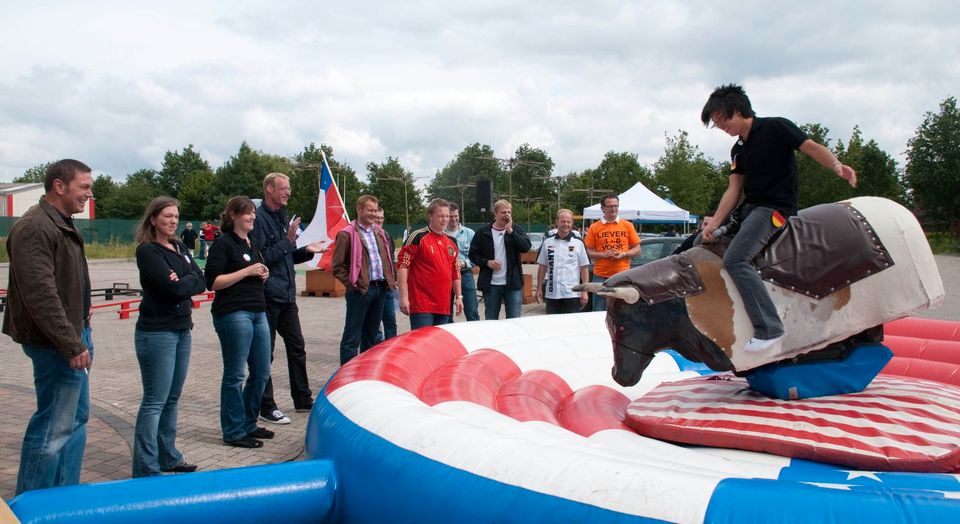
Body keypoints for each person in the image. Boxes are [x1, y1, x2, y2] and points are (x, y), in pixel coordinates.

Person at [699, 83, 857, 353]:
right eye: (715, 124)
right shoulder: (738, 150)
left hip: (773, 209)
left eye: (721, 120)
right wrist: (714, 222)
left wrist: (836, 166)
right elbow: (734, 190)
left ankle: (769, 328)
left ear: (736, 111)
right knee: (698, 245)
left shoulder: (776, 127)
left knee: (736, 260)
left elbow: (811, 147)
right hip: (748, 209)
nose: (721, 127)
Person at [3, 159, 94, 494]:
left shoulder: (61, 223)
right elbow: (40, 294)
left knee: (75, 422)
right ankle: (35, 506)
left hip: (74, 335)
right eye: (84, 187)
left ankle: (64, 498)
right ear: (59, 186)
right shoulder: (35, 227)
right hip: (57, 343)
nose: (89, 194)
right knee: (54, 427)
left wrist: (82, 318)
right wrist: (71, 344)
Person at [132, 197, 206, 477]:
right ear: (153, 219)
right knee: (155, 400)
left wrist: (183, 279)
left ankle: (168, 456)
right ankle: (146, 466)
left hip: (181, 328)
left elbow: (201, 279)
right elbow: (171, 289)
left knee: (172, 397)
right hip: (157, 332)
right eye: (166, 216)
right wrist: (184, 282)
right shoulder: (148, 251)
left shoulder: (179, 245)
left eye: (175, 216)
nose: (173, 221)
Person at [251, 173, 328, 425]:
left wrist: (306, 251)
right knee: (266, 353)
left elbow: (285, 256)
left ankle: (302, 399)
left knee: (297, 348)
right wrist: (288, 241)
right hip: (267, 297)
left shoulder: (284, 217)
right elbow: (262, 258)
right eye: (284, 188)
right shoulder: (258, 219)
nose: (288, 192)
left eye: (289, 188)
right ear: (269, 188)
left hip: (286, 295)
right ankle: (266, 405)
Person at [204, 196, 275, 448]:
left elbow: (254, 270)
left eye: (253, 213)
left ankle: (248, 422)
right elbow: (212, 281)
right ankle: (233, 431)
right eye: (247, 213)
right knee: (235, 374)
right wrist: (247, 271)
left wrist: (262, 273)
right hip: (234, 313)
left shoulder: (252, 242)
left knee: (262, 370)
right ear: (233, 215)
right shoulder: (223, 244)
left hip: (258, 311)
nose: (252, 217)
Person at [331, 195, 397, 365]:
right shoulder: (346, 234)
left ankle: (364, 371)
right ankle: (346, 373)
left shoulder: (380, 233)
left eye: (375, 210)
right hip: (360, 291)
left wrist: (390, 280)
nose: (374, 214)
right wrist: (354, 284)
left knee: (372, 334)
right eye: (370, 210)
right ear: (359, 209)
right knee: (352, 336)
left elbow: (387, 259)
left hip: (380, 288)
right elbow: (338, 267)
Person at [398, 199, 463, 328]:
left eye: (447, 216)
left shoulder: (452, 242)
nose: (445, 219)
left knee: (438, 345)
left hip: (444, 305)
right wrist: (403, 297)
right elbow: (402, 266)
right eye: (440, 216)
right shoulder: (417, 237)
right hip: (422, 305)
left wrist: (459, 296)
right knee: (422, 344)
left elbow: (455, 272)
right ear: (430, 216)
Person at [469, 200, 531, 320]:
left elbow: (525, 247)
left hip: (512, 284)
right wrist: (487, 262)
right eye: (503, 212)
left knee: (514, 320)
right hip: (491, 285)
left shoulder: (516, 230)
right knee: (491, 319)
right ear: (495, 214)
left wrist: (510, 231)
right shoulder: (483, 232)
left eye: (509, 212)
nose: (507, 215)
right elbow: (473, 254)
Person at [583, 194, 641, 311]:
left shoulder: (627, 225)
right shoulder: (594, 227)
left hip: (623, 276)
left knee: (622, 311)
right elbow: (587, 252)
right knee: (598, 311)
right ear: (603, 209)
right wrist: (604, 254)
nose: (613, 209)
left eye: (616, 206)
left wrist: (623, 254)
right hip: (601, 277)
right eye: (610, 206)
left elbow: (638, 250)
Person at [533, 209, 590, 314]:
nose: (566, 224)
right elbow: (542, 267)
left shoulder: (579, 243)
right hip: (552, 293)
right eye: (563, 221)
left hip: (572, 294)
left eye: (568, 222)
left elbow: (584, 268)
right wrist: (539, 288)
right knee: (553, 326)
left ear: (572, 223)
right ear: (557, 222)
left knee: (570, 326)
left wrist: (584, 291)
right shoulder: (547, 242)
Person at [446, 203, 479, 322]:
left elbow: (476, 256)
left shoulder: (469, 233)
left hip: (465, 274)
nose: (453, 219)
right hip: (446, 276)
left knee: (472, 311)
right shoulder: (440, 233)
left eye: (456, 215)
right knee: (446, 313)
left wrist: (464, 263)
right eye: (450, 216)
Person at [374, 206, 398, 342]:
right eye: (377, 217)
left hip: (387, 287)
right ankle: (375, 348)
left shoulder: (387, 236)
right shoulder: (363, 236)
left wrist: (394, 279)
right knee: (374, 324)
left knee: (390, 322)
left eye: (381, 218)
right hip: (373, 286)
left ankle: (390, 350)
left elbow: (392, 259)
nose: (379, 220)